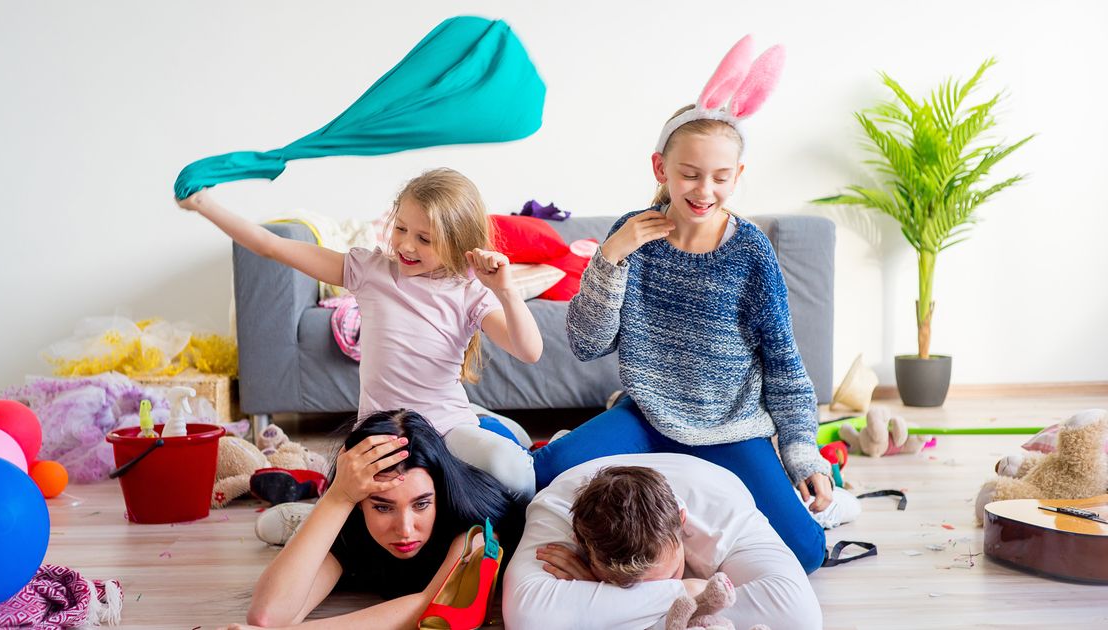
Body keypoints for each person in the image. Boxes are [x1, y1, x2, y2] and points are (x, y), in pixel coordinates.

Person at [530, 37, 854, 572]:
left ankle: (809, 487)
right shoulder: (631, 236)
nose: (704, 190)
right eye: (689, 173)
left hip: (730, 425)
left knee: (806, 553)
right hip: (647, 414)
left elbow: (784, 364)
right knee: (550, 468)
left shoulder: (750, 252)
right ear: (660, 167)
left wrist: (801, 452)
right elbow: (586, 344)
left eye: (721, 177)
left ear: (738, 177)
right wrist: (611, 258)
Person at [178, 168, 543, 498]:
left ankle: (494, 429)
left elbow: (529, 351)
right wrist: (205, 204)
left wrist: (506, 291)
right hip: (382, 432)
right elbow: (269, 246)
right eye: (400, 228)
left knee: (513, 474)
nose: (405, 245)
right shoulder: (369, 270)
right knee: (356, 502)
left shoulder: (469, 293)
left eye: (424, 238)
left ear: (458, 243)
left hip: (446, 426)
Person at [228, 409, 524, 629]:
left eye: (421, 504)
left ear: (439, 495)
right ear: (358, 504)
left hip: (493, 433)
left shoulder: (472, 522)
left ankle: (305, 519)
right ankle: (314, 513)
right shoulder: (353, 517)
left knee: (517, 463)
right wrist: (338, 496)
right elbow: (267, 616)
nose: (405, 530)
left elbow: (430, 604)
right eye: (383, 507)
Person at [503, 454, 822, 630]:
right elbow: (528, 618)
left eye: (670, 576)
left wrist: (601, 602)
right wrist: (690, 588)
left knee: (808, 547)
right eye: (622, 585)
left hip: (711, 472)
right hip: (583, 467)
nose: (650, 588)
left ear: (681, 521)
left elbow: (800, 615)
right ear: (578, 543)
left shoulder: (724, 515)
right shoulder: (555, 510)